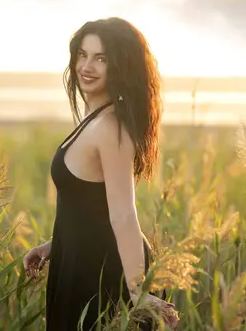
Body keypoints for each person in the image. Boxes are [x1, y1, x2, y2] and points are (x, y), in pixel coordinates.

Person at [23, 17, 177, 330]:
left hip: (103, 270)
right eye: (83, 55)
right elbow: (91, 205)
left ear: (120, 66)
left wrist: (138, 290)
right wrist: (55, 244)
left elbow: (123, 213)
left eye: (101, 58)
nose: (87, 66)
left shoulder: (109, 127)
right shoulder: (94, 120)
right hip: (78, 261)